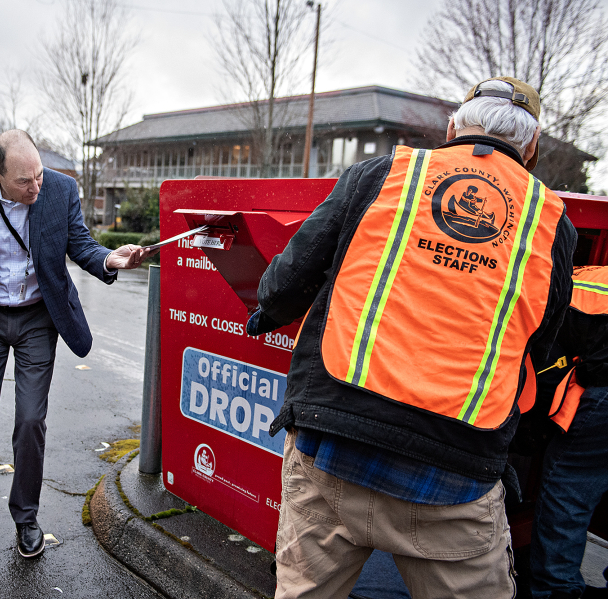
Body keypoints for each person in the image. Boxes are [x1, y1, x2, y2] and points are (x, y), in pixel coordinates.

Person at [246, 77, 576, 598]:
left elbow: (286, 282)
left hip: (335, 445)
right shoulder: (551, 221)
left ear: (452, 128)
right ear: (531, 148)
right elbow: (539, 343)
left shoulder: (383, 174)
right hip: (456, 476)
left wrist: (267, 311)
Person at [0, 130, 151, 566]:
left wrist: (111, 259)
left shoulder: (61, 189)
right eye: (24, 182)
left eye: (39, 176)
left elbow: (82, 245)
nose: (36, 187)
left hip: (36, 319)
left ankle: (26, 519)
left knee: (31, 419)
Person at [529, 266, 608, 599]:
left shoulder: (562, 285)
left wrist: (531, 435)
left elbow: (543, 373)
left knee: (566, 490)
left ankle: (556, 589)